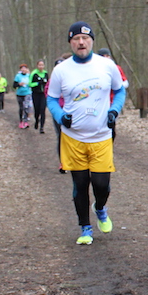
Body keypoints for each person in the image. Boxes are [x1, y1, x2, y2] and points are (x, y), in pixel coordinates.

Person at [47, 22, 126, 245]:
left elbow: (120, 90)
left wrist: (114, 110)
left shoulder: (107, 65)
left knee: (101, 185)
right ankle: (85, 228)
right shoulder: (61, 70)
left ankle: (100, 208)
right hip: (73, 137)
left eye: (85, 38)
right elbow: (51, 99)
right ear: (70, 43)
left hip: (101, 136)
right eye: (76, 39)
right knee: (80, 184)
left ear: (91, 41)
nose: (81, 42)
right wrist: (60, 116)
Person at [29, 60, 49, 133]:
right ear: (37, 66)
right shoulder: (34, 73)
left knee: (42, 110)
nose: (41, 66)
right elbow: (30, 84)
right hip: (36, 94)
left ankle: (42, 127)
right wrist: (38, 83)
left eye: (42, 65)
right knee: (37, 110)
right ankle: (37, 120)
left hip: (43, 94)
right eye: (39, 65)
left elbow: (48, 83)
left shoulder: (45, 73)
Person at [14, 64, 32, 128]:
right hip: (19, 94)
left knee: (26, 107)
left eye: (24, 68)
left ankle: (26, 122)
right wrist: (19, 84)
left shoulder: (29, 76)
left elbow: (32, 83)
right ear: (20, 69)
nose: (23, 69)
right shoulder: (18, 76)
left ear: (26, 69)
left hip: (27, 93)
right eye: (22, 68)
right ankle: (21, 122)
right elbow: (14, 85)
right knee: (21, 108)